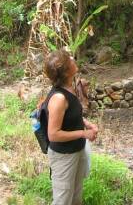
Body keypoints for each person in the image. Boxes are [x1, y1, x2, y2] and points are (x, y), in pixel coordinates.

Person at [44, 49, 98, 205]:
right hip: (64, 157)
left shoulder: (70, 87)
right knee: (63, 200)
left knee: (75, 198)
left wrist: (87, 124)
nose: (73, 58)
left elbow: (71, 116)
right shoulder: (59, 98)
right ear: (66, 71)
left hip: (76, 151)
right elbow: (53, 134)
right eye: (70, 59)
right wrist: (83, 133)